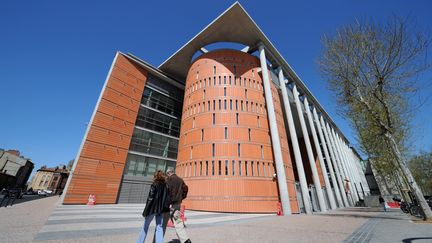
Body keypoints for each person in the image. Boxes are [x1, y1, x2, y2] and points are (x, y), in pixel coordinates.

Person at [137, 170, 171, 243]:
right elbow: (167, 199)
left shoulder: (154, 184)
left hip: (152, 209)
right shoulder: (166, 186)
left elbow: (150, 199)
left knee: (145, 227)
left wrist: (145, 212)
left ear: (155, 176)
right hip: (161, 210)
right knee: (159, 227)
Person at [166, 168, 191, 243]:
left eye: (167, 174)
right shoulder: (180, 180)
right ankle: (184, 239)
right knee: (177, 221)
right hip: (177, 204)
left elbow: (166, 192)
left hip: (170, 204)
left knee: (174, 222)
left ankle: (185, 240)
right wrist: (182, 197)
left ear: (169, 173)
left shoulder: (168, 180)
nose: (167, 175)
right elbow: (185, 189)